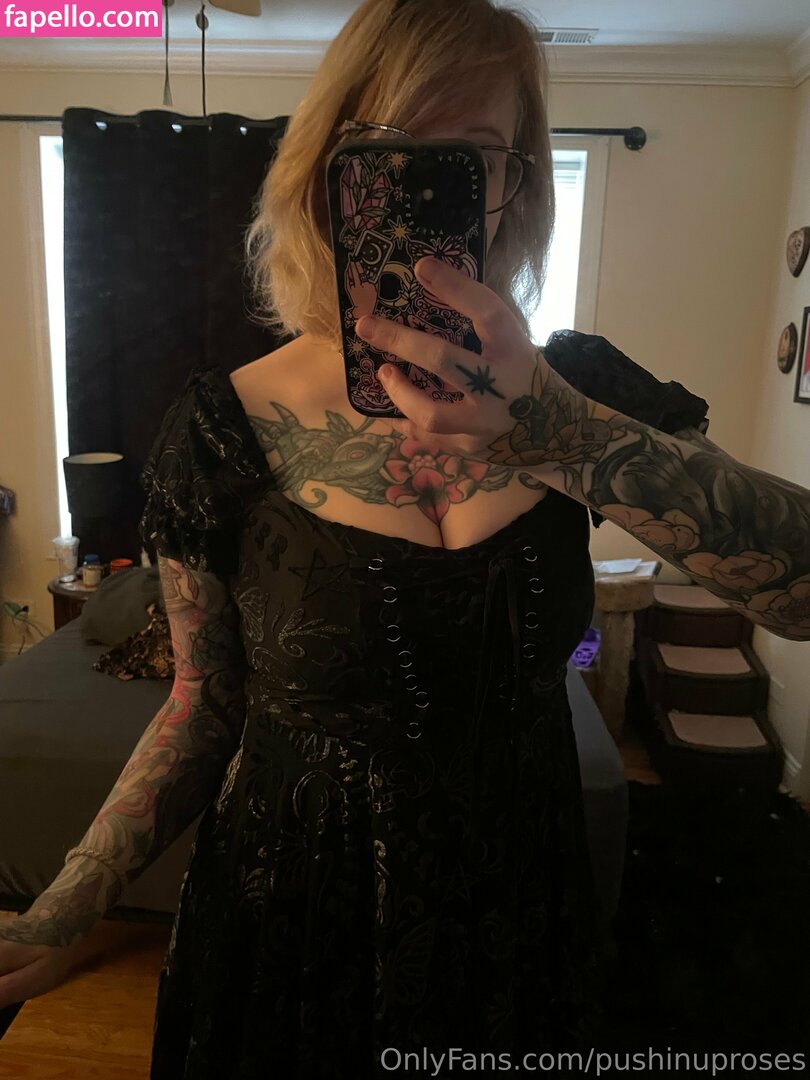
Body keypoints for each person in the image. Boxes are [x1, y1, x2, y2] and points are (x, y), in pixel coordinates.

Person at [2, 1, 809, 1077]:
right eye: (389, 152)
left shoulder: (585, 393)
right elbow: (204, 706)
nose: (430, 192)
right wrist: (67, 904)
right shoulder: (222, 425)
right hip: (292, 919)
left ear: (516, 183)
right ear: (324, 173)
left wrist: (564, 435)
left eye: (470, 158)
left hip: (522, 907)